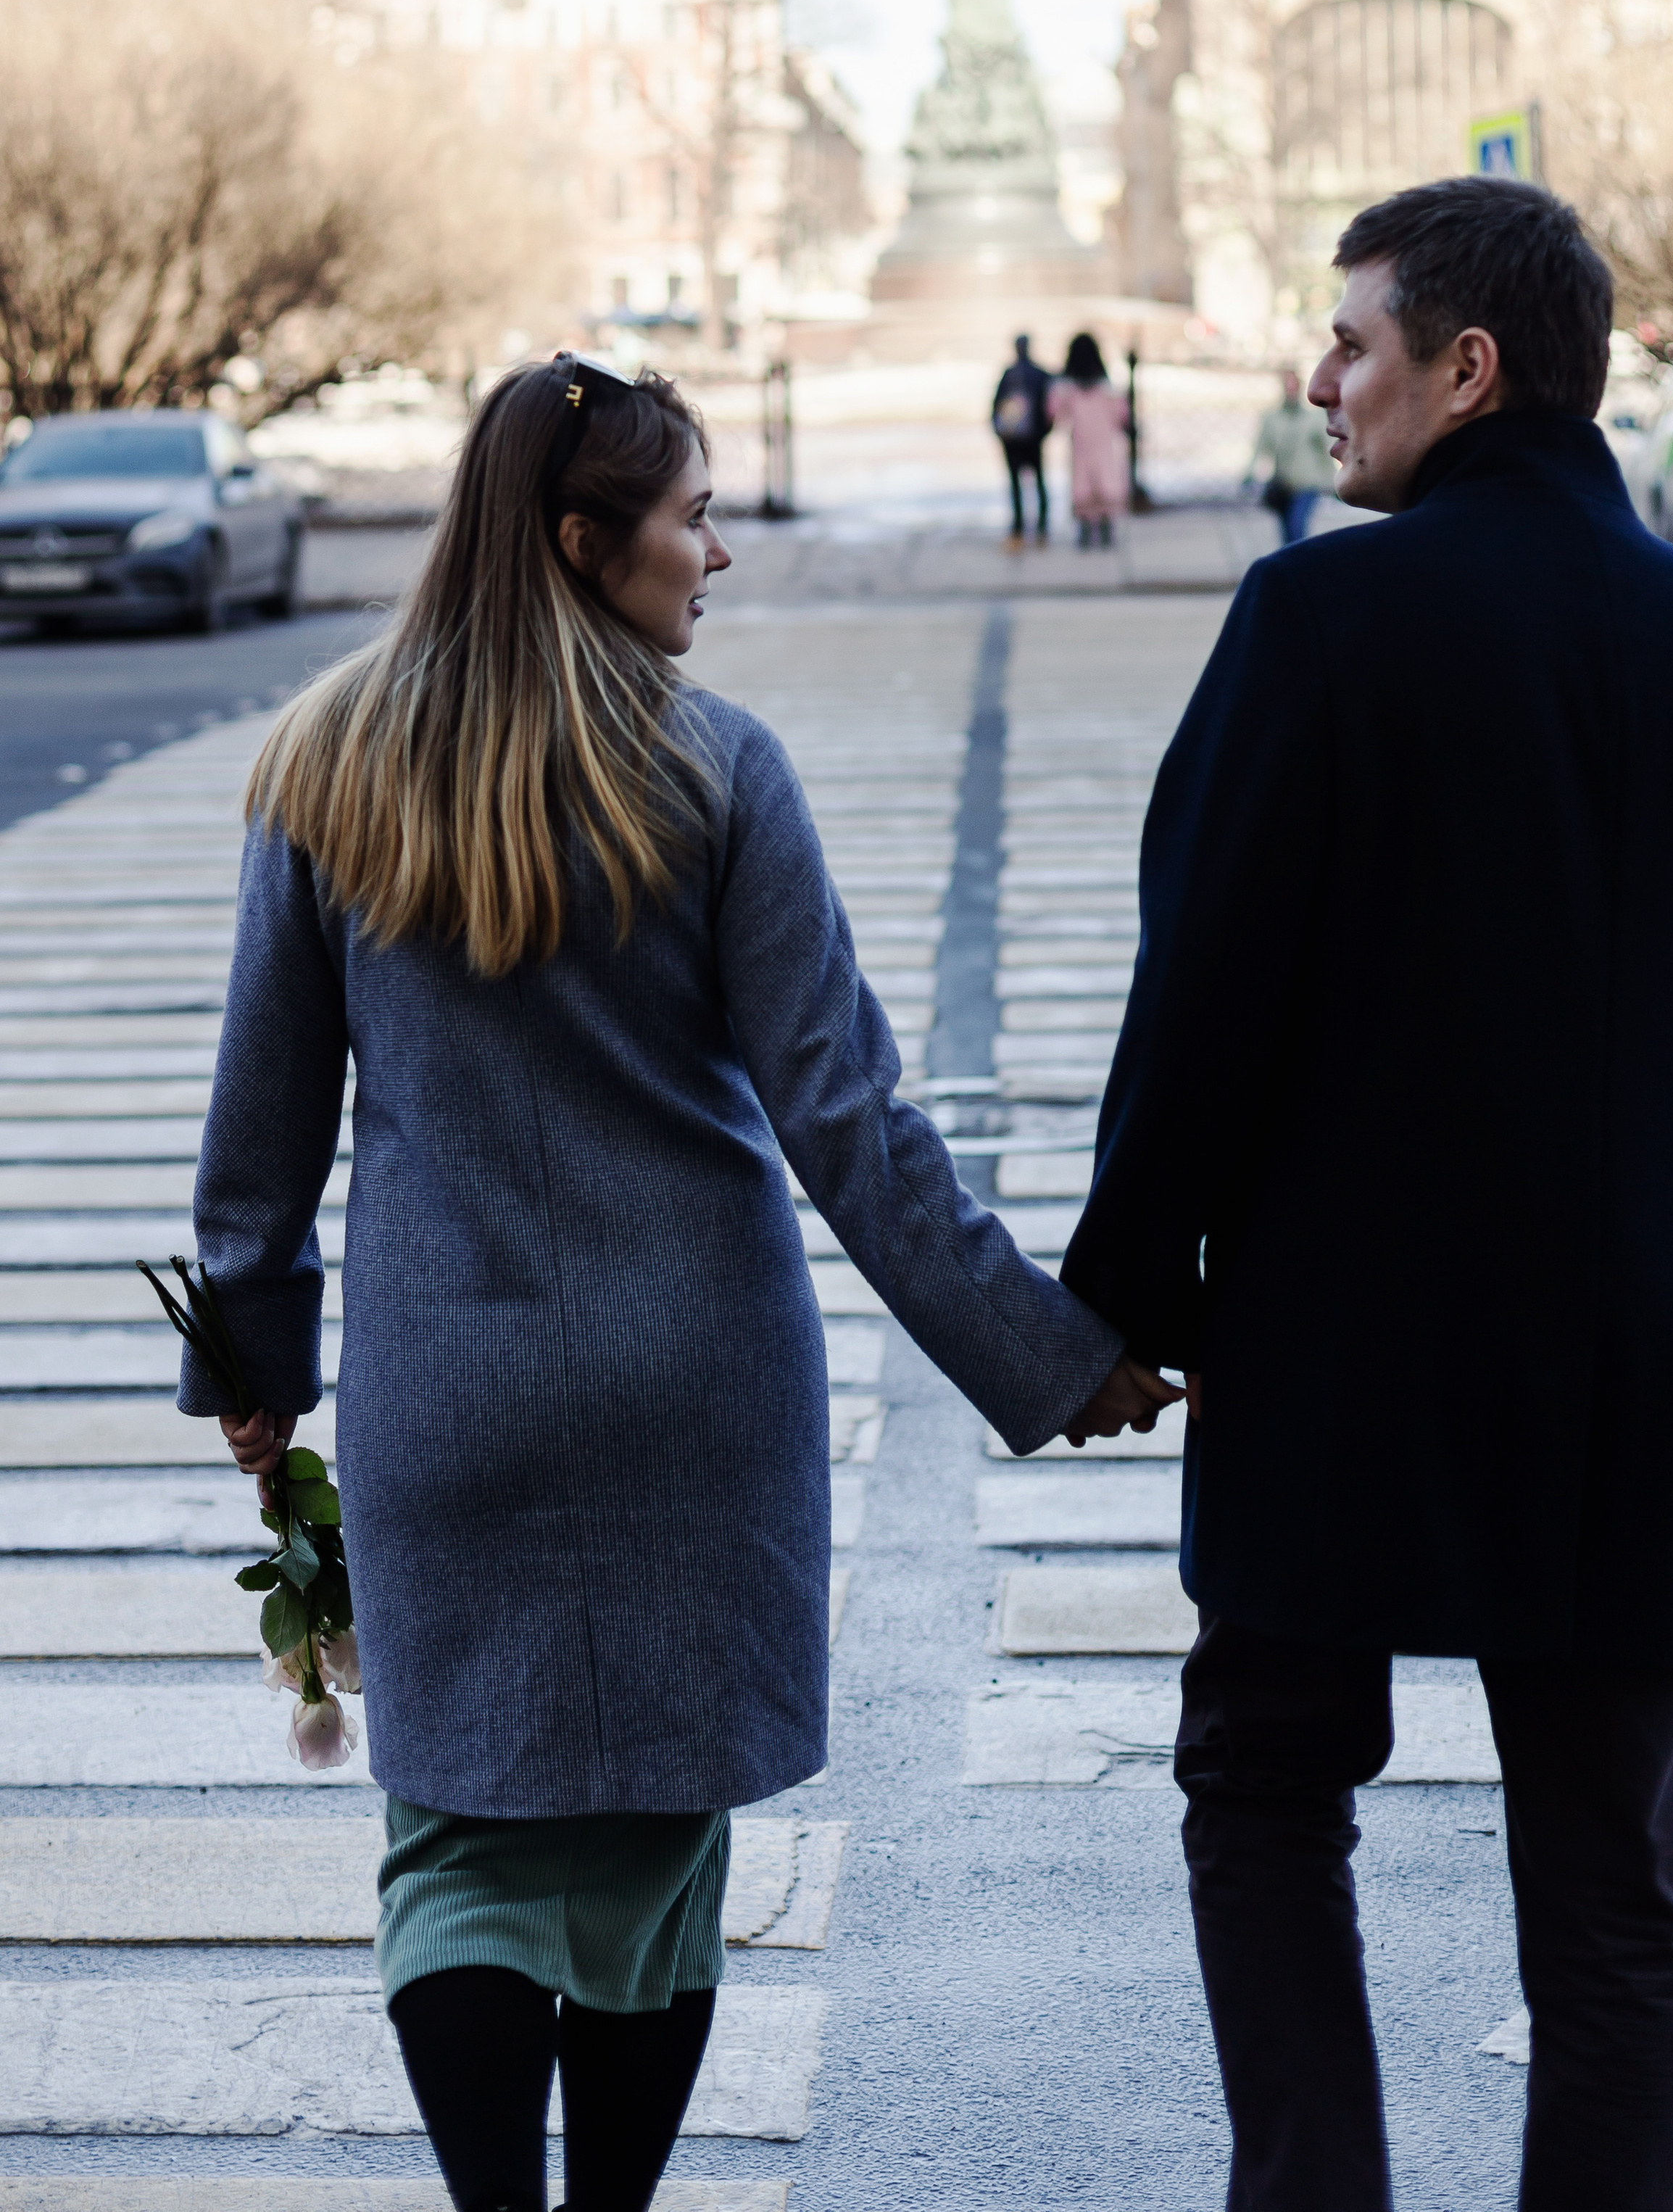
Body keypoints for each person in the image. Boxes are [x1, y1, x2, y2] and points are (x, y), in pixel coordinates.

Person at [182, 353, 1171, 2212]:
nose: (711, 552)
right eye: (688, 514)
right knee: (647, 1856)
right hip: (692, 1387)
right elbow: (851, 1122)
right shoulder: (710, 769)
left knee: (456, 1839)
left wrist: (257, 1365)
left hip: (444, 1394)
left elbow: (260, 1133)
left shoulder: (322, 761)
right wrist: (1052, 1357)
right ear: (582, 542)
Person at [1058, 176, 1673, 2212]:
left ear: (1466, 368)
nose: (1323, 385)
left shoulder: (1321, 618)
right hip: (1627, 1385)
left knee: (1263, 1794)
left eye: (1352, 345)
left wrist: (1133, 1300)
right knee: (1614, 1892)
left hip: (1340, 1365)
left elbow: (1206, 997)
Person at [1048, 333, 1130, 549]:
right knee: (1106, 482)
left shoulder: (1068, 389)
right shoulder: (1108, 388)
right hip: (1103, 444)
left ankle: (1085, 531)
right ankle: (1105, 530)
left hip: (1080, 444)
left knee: (1082, 484)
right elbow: (1122, 417)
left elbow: (1054, 413)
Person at [1245, 364, 1335, 544]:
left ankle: (1299, 568)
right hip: (1283, 485)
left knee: (1297, 528)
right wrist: (1249, 474)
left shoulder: (1313, 418)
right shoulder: (1272, 419)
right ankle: (1289, 568)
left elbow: (1326, 451)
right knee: (1286, 533)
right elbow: (1261, 448)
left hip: (1307, 484)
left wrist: (1333, 482)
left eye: (1294, 385)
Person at [992, 331, 1052, 549]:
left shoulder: (1008, 375)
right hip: (1033, 438)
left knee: (1017, 485)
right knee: (1039, 483)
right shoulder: (1041, 374)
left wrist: (1001, 434)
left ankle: (1018, 528)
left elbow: (995, 407)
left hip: (1014, 440)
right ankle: (1042, 529)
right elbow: (1050, 409)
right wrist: (1044, 432)